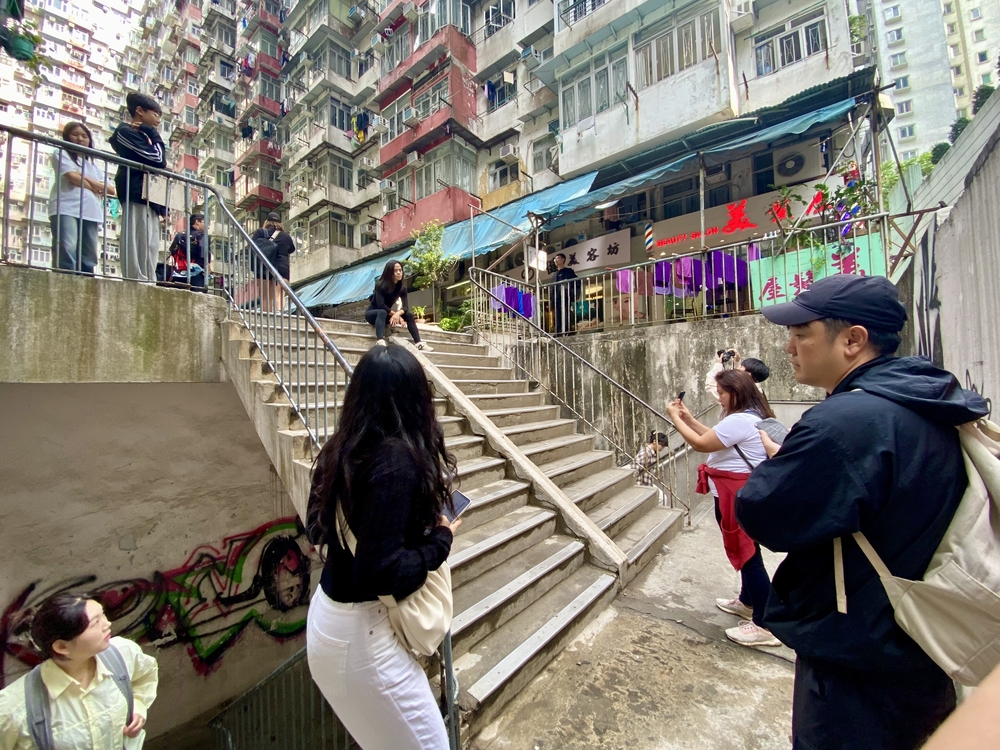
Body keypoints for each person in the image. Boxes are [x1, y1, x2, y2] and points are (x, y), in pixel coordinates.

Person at [735, 274, 989, 750]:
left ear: (853, 339)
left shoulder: (845, 422)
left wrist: (786, 465)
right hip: (920, 641)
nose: (789, 347)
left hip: (859, 657)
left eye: (801, 333)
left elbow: (764, 511)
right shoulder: (927, 398)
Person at [304, 345, 460, 749]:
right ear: (414, 398)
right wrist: (440, 542)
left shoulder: (340, 448)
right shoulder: (396, 461)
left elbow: (315, 528)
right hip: (362, 633)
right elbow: (377, 572)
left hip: (327, 618)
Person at [665, 369, 778, 648]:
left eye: (722, 393)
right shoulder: (750, 416)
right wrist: (689, 418)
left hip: (735, 494)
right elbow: (717, 436)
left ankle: (765, 625)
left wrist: (674, 419)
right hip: (738, 492)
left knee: (749, 555)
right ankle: (747, 602)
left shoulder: (739, 420)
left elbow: (702, 443)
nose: (719, 398)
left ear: (736, 393)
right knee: (746, 549)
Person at [0, 594, 159, 750]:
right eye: (95, 623)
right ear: (62, 647)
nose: (107, 624)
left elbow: (144, 676)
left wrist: (137, 708)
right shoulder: (13, 708)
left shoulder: (123, 654)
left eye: (103, 614)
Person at [109, 93, 167, 283]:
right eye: (156, 114)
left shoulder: (144, 135)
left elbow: (158, 162)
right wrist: (152, 134)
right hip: (135, 193)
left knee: (150, 245)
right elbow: (158, 160)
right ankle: (136, 279)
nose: (158, 120)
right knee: (136, 240)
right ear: (140, 111)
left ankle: (148, 280)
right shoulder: (125, 131)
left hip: (151, 198)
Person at [49, 122, 115, 275]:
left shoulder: (93, 165)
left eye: (84, 136)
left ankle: (87, 281)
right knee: (67, 246)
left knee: (89, 252)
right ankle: (64, 280)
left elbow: (110, 189)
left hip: (91, 211)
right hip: (66, 207)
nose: (80, 139)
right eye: (75, 135)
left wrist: (84, 178)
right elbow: (72, 177)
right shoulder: (61, 153)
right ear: (67, 136)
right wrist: (96, 187)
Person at [365, 260, 432, 350]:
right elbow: (381, 305)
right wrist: (397, 316)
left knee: (408, 315)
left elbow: (406, 307)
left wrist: (397, 314)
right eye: (395, 270)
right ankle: (380, 340)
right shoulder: (380, 286)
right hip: (373, 314)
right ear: (389, 272)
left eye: (400, 270)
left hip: (386, 314)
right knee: (382, 312)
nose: (398, 273)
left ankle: (418, 343)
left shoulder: (402, 288)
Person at [250, 211, 295, 311]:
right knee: (280, 294)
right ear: (280, 223)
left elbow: (252, 247)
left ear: (266, 221)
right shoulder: (286, 236)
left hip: (265, 266)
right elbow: (292, 249)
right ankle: (280, 318)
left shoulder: (260, 232)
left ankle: (268, 322)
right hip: (282, 267)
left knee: (266, 296)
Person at [168, 213, 207, 289]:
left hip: (179, 273)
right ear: (197, 222)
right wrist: (207, 265)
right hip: (197, 275)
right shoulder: (202, 236)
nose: (207, 226)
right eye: (204, 222)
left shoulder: (179, 235)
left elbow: (172, 251)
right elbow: (204, 253)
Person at [549, 253, 578, 335]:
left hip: (565, 297)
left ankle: (566, 330)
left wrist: (570, 292)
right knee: (557, 315)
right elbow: (552, 288)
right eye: (555, 259)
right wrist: (552, 298)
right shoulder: (554, 275)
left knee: (565, 313)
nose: (555, 260)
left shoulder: (569, 271)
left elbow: (576, 281)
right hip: (557, 298)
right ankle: (559, 332)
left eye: (557, 258)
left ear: (563, 260)